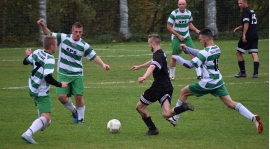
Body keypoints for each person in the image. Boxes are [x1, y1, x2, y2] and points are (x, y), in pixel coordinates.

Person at [165, 28, 263, 134]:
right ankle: (253, 117)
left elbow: (189, 65)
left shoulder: (205, 53)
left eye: (200, 39)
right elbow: (201, 53)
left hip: (208, 82)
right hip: (218, 81)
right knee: (231, 103)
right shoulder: (216, 48)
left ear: (206, 39)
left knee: (183, 92)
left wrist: (177, 57)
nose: (200, 41)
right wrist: (187, 49)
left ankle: (175, 118)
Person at [37, 19, 110, 124]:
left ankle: (80, 120)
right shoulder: (63, 38)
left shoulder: (84, 45)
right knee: (61, 97)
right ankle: (74, 111)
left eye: (80, 32)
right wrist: (42, 25)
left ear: (82, 32)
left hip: (77, 75)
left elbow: (94, 55)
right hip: (63, 73)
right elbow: (48, 34)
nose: (78, 34)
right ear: (72, 31)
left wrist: (103, 64)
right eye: (76, 31)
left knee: (79, 97)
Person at [132, 34, 194, 136]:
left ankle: (152, 129)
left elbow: (152, 67)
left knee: (139, 107)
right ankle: (183, 107)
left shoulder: (158, 55)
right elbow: (152, 62)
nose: (149, 46)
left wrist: (144, 77)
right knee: (166, 114)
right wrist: (140, 66)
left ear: (153, 43)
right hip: (167, 87)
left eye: (149, 44)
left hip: (158, 88)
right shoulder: (161, 54)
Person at [21, 36, 68, 144]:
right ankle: (28, 134)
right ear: (51, 46)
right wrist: (60, 84)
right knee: (46, 118)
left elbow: (25, 62)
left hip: (32, 87)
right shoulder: (50, 59)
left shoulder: (37, 52)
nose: (56, 46)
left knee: (46, 120)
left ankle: (41, 123)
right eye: (56, 44)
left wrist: (29, 55)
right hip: (40, 91)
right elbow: (47, 77)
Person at [167, 0, 200, 81]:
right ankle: (171, 76)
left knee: (193, 55)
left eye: (183, 4)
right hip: (176, 37)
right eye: (180, 4)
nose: (181, 5)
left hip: (186, 37)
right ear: (178, 5)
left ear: (186, 5)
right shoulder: (174, 13)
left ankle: (199, 74)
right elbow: (168, 27)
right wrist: (178, 35)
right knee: (174, 56)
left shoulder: (188, 13)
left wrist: (196, 30)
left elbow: (189, 24)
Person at [233, 0, 259, 78]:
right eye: (238, 3)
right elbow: (249, 23)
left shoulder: (245, 12)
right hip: (255, 35)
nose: (239, 5)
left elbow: (246, 23)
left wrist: (244, 34)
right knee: (254, 53)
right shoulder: (251, 11)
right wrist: (239, 28)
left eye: (241, 3)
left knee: (238, 52)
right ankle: (255, 74)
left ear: (245, 2)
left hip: (248, 35)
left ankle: (242, 72)